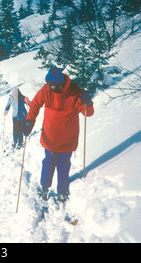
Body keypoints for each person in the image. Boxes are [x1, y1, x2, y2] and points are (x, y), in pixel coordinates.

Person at [22, 66, 94, 203]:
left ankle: (62, 191)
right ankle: (44, 188)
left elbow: (87, 113)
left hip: (67, 140)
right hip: (49, 138)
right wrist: (29, 121)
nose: (48, 86)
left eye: (52, 84)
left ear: (60, 84)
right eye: (47, 83)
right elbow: (36, 104)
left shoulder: (75, 92)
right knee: (48, 163)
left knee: (63, 165)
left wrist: (88, 103)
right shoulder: (46, 89)